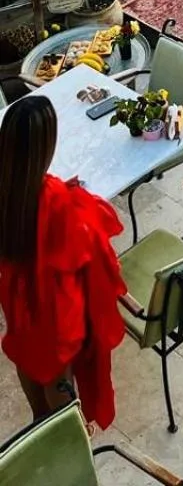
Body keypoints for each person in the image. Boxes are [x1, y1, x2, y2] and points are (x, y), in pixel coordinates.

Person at [0, 95, 127, 430]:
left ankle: (40, 425)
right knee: (63, 396)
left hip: (18, 304)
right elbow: (84, 245)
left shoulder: (7, 191)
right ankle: (70, 447)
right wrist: (78, 199)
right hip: (55, 314)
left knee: (28, 364)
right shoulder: (55, 199)